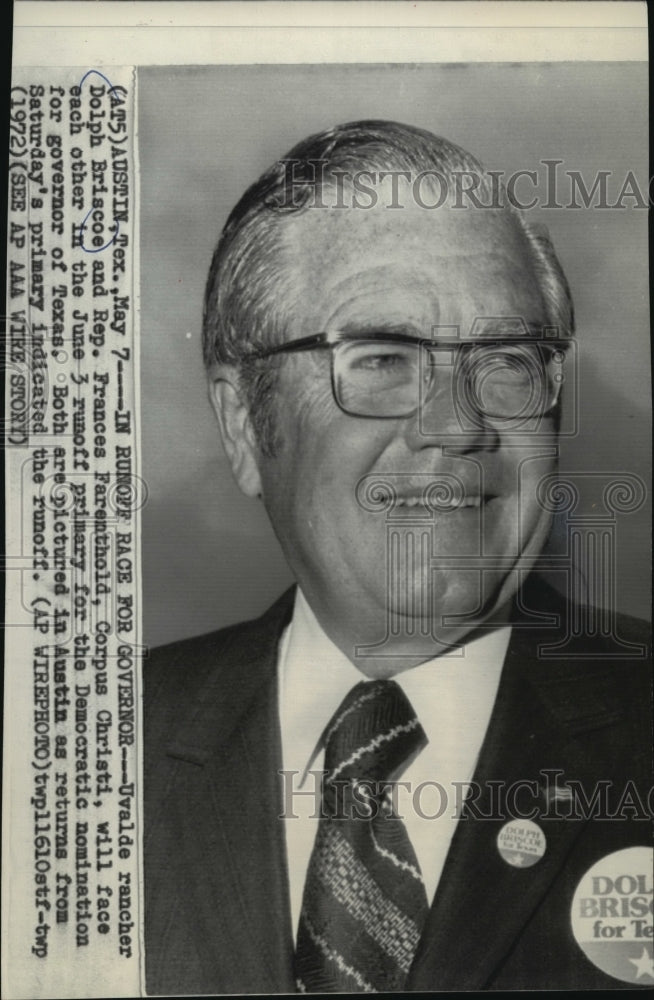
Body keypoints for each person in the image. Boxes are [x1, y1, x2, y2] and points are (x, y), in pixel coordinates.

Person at [143, 121, 651, 993]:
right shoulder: (96, 746)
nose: (457, 426)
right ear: (241, 420)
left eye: (506, 359)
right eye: (382, 358)